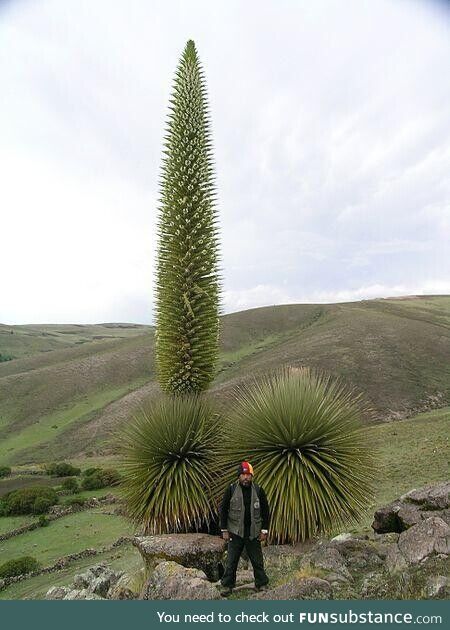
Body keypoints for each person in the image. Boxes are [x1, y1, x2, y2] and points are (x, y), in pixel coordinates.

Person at [219, 461, 270, 596]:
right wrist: (224, 530)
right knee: (231, 561)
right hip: (235, 532)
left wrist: (264, 530)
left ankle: (262, 583)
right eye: (243, 474)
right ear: (238, 476)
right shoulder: (231, 490)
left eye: (248, 475)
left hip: (253, 533)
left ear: (252, 476)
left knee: (257, 561)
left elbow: (266, 511)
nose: (246, 478)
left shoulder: (259, 490)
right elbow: (223, 510)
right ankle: (227, 586)